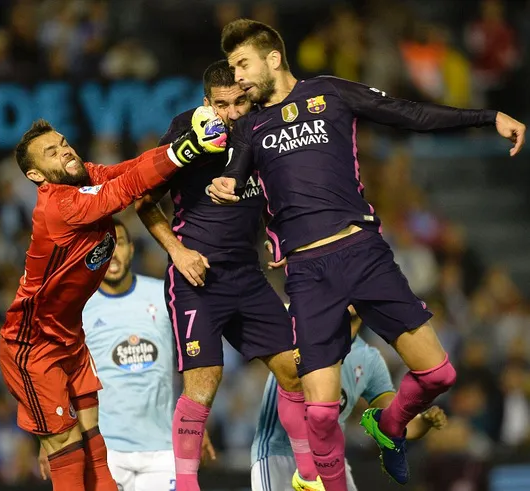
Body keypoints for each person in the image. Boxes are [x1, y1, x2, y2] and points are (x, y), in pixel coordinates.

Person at [208, 18, 525, 491]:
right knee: (319, 413)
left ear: (273, 58)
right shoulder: (250, 127)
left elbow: (408, 113)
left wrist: (486, 117)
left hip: (364, 253)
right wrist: (224, 185)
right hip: (309, 273)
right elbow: (235, 178)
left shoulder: (331, 93)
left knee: (439, 374)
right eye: (232, 68)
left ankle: (391, 424)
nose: (238, 77)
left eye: (242, 64)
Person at [0, 112, 226, 491]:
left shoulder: (83, 175)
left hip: (67, 335)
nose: (65, 152)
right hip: (32, 344)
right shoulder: (58, 208)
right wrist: (186, 150)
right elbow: (124, 191)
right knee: (69, 453)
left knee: (96, 451)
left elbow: (129, 169)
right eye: (51, 153)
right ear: (36, 175)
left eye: (64, 143)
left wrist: (179, 147)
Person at [136, 60, 318, 491]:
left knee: (296, 370)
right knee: (204, 382)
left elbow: (279, 191)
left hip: (247, 276)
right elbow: (144, 200)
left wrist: (278, 237)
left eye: (239, 102)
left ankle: (308, 476)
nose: (233, 113)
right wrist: (178, 253)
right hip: (195, 280)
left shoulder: (263, 128)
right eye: (222, 105)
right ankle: (186, 487)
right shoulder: (187, 134)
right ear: (206, 103)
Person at [38, 219, 216, 491]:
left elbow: (190, 362)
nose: (111, 253)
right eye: (101, 247)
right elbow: (54, 377)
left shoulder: (163, 295)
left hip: (163, 448)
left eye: (118, 243)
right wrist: (50, 439)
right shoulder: (78, 309)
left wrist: (194, 424)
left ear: (131, 249)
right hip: (106, 450)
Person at [251, 307, 448, 491]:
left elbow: (392, 421)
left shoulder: (369, 360)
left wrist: (423, 421)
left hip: (328, 461)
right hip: (277, 454)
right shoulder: (299, 324)